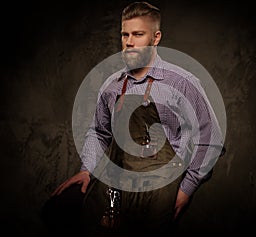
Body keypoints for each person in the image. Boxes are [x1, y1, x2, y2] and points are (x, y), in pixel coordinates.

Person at [41, 1, 225, 236]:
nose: (129, 42)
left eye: (138, 34)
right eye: (125, 34)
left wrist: (186, 190)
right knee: (59, 212)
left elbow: (210, 140)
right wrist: (86, 169)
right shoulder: (112, 85)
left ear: (155, 38)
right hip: (117, 184)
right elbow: (99, 132)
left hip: (161, 189)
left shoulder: (181, 82)